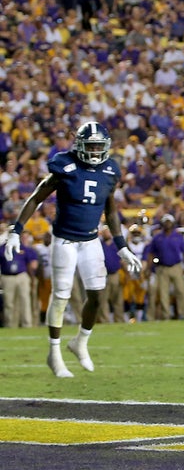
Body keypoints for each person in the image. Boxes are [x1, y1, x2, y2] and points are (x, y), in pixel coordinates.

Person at [4, 122, 143, 377]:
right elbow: (35, 197)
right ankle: (54, 353)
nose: (93, 151)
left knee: (98, 296)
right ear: (79, 145)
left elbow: (110, 209)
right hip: (65, 240)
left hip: (91, 241)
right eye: (89, 145)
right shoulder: (65, 166)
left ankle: (79, 342)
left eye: (98, 146)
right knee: (61, 297)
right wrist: (16, 230)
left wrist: (122, 246)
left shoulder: (110, 170)